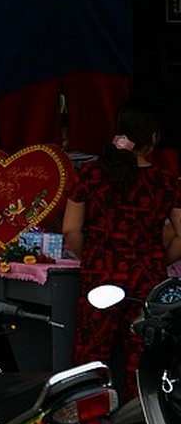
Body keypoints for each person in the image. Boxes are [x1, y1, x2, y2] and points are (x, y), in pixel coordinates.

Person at [64, 102, 181, 400]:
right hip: (146, 279)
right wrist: (158, 258)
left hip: (100, 274)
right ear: (154, 139)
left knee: (91, 354)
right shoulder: (166, 182)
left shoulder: (90, 174)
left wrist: (90, 257)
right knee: (141, 355)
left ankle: (91, 421)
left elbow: (70, 231)